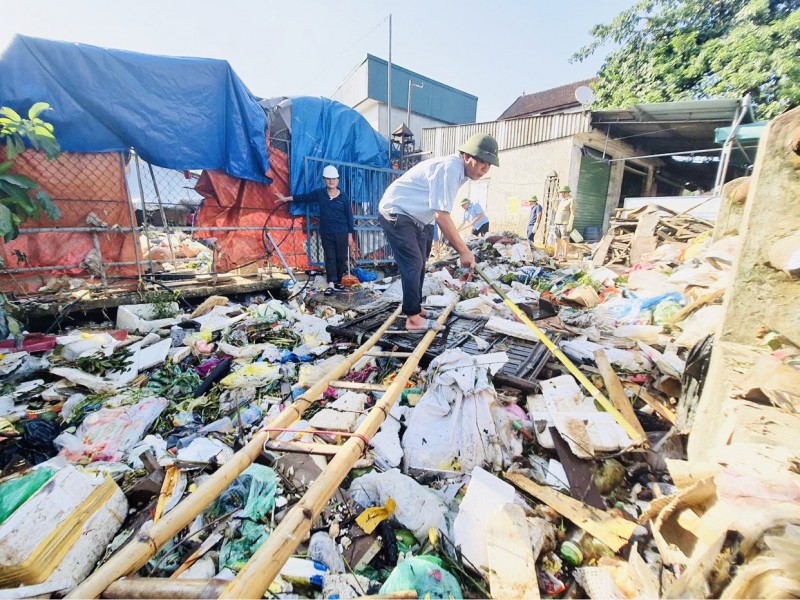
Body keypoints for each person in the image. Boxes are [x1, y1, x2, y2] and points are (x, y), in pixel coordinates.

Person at [378, 132, 499, 332]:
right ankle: (413, 319)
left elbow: (438, 214)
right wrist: (464, 251)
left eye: (489, 164)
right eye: (482, 162)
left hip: (417, 217)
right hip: (396, 211)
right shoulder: (450, 168)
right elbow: (442, 216)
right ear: (467, 157)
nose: (485, 168)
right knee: (413, 262)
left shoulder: (460, 173)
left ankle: (415, 309)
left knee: (421, 262)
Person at [275, 165, 357, 296]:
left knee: (340, 258)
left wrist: (350, 235)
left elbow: (349, 217)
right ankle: (331, 283)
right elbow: (304, 197)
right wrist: (286, 199)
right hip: (327, 231)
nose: (331, 181)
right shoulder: (320, 194)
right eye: (329, 179)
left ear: (338, 180)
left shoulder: (344, 197)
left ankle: (337, 282)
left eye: (334, 179)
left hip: (342, 232)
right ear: (324, 180)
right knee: (330, 257)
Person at [554, 185, 575, 261]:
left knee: (566, 239)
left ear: (566, 192)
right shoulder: (561, 201)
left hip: (565, 223)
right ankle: (555, 255)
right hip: (557, 222)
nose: (561, 194)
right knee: (557, 239)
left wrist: (570, 224)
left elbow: (573, 213)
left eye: (562, 193)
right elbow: (557, 210)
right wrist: (554, 201)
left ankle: (565, 257)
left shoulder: (571, 200)